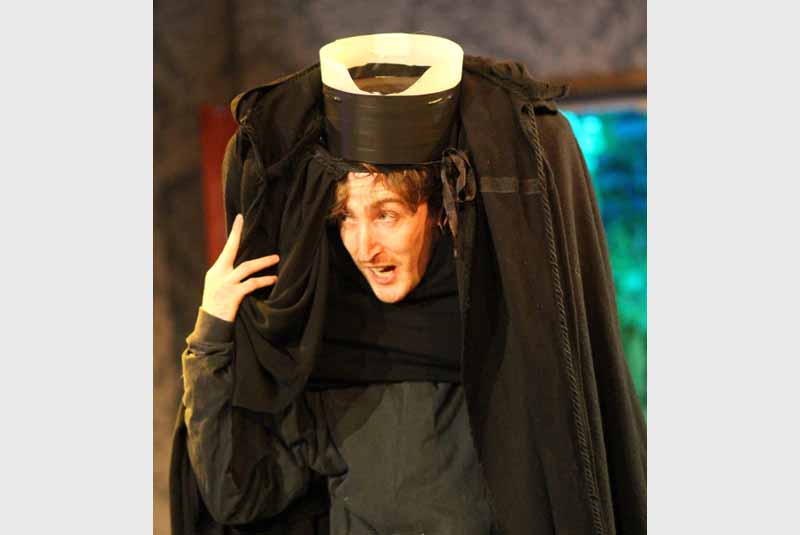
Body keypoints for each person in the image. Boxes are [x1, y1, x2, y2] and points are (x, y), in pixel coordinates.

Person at [170, 33, 647, 535]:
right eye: (345, 218)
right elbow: (236, 498)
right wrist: (211, 336)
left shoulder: (510, 355)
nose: (363, 246)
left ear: (440, 216)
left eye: (387, 215)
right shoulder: (333, 359)